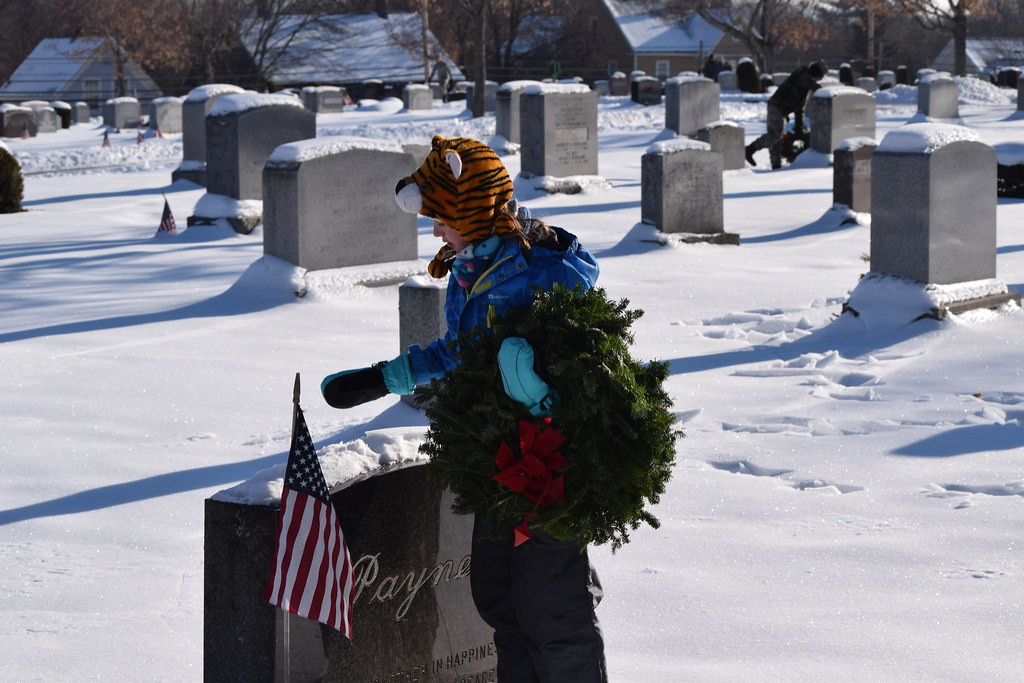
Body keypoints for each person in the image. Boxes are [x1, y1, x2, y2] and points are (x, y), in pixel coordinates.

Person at [321, 135, 607, 682]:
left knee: (553, 607)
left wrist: (540, 393)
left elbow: (583, 330)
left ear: (472, 212)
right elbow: (461, 349)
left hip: (548, 461)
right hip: (494, 454)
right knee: (498, 596)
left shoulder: (537, 267)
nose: (433, 230)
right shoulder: (468, 266)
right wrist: (388, 376)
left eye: (441, 217)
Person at [745, 60, 826, 169]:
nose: (818, 80)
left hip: (782, 110)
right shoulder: (801, 74)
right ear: (816, 74)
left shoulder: (806, 86)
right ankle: (750, 149)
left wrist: (799, 127)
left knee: (777, 137)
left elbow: (799, 108)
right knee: (775, 135)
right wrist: (820, 90)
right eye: (819, 77)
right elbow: (805, 81)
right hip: (777, 106)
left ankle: (776, 164)